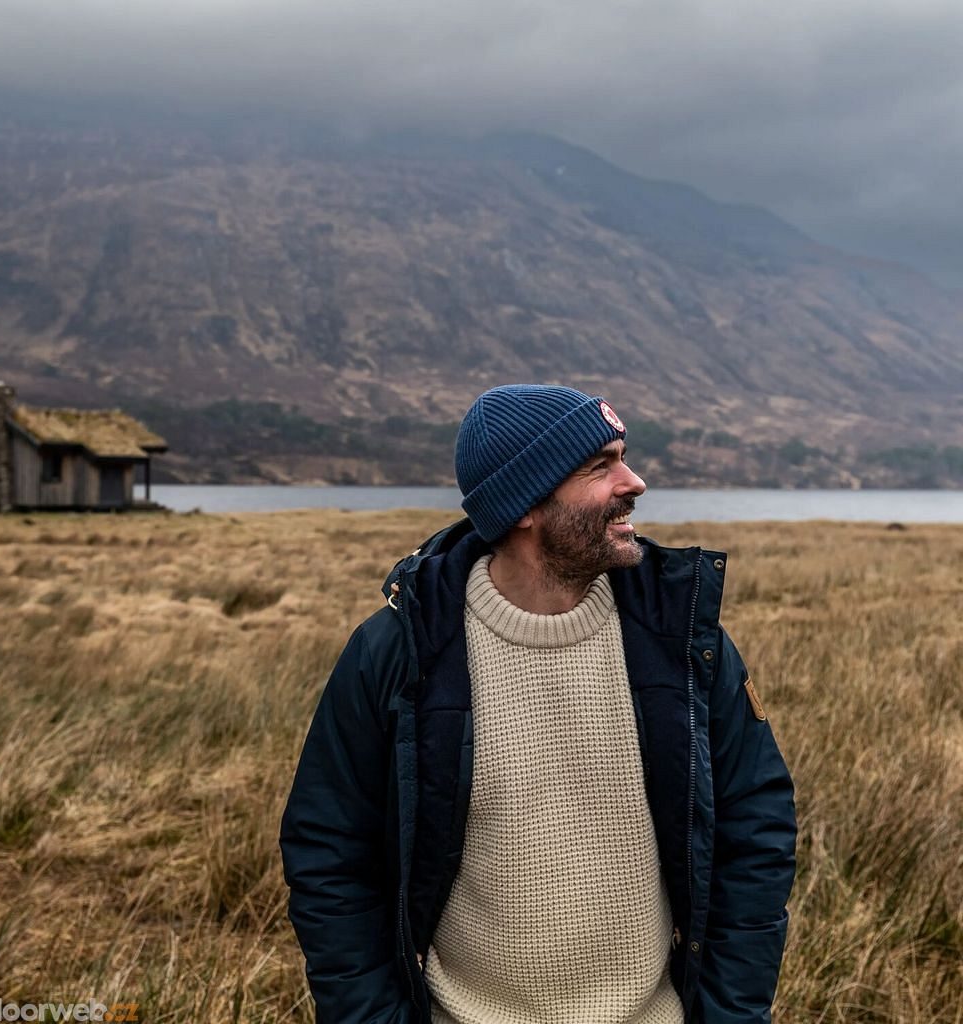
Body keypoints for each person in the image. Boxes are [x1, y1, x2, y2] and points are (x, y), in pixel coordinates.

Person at [280, 384, 797, 1023]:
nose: (634, 482)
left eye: (623, 458)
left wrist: (730, 1014)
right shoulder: (399, 652)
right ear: (524, 504)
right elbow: (330, 855)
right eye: (600, 466)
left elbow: (756, 830)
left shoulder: (681, 638)